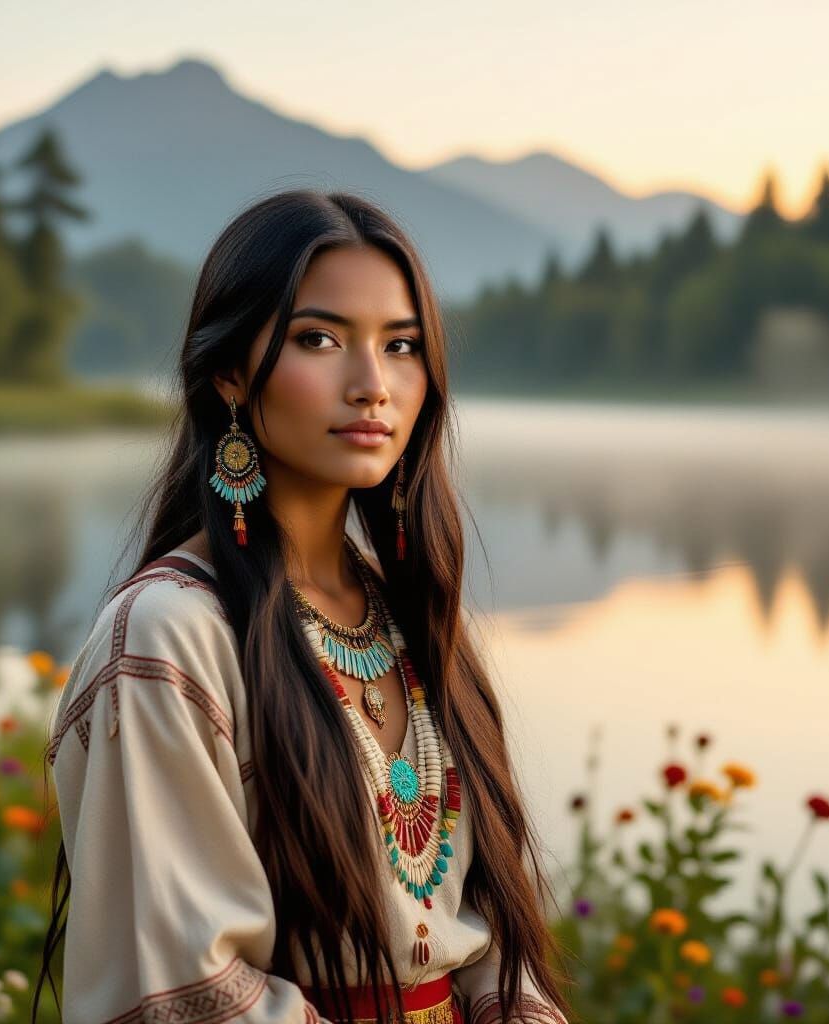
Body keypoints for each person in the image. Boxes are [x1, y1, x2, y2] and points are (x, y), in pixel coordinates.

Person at [32, 190, 572, 1024]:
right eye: (318, 339)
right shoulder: (172, 637)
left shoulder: (414, 619)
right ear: (230, 374)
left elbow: (490, 945)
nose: (372, 386)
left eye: (401, 346)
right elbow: (190, 986)